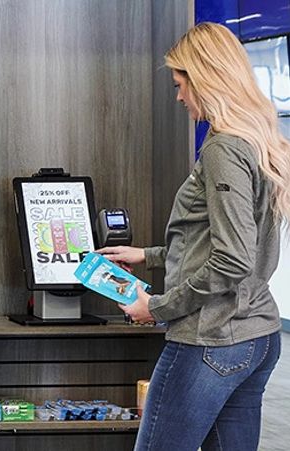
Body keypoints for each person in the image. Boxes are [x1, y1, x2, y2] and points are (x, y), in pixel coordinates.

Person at [97, 22, 290, 451]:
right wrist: (147, 255)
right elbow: (222, 242)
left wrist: (159, 307)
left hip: (211, 342)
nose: (179, 96)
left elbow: (232, 259)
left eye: (181, 83)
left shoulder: (223, 149)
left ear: (206, 78)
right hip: (258, 335)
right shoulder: (257, 141)